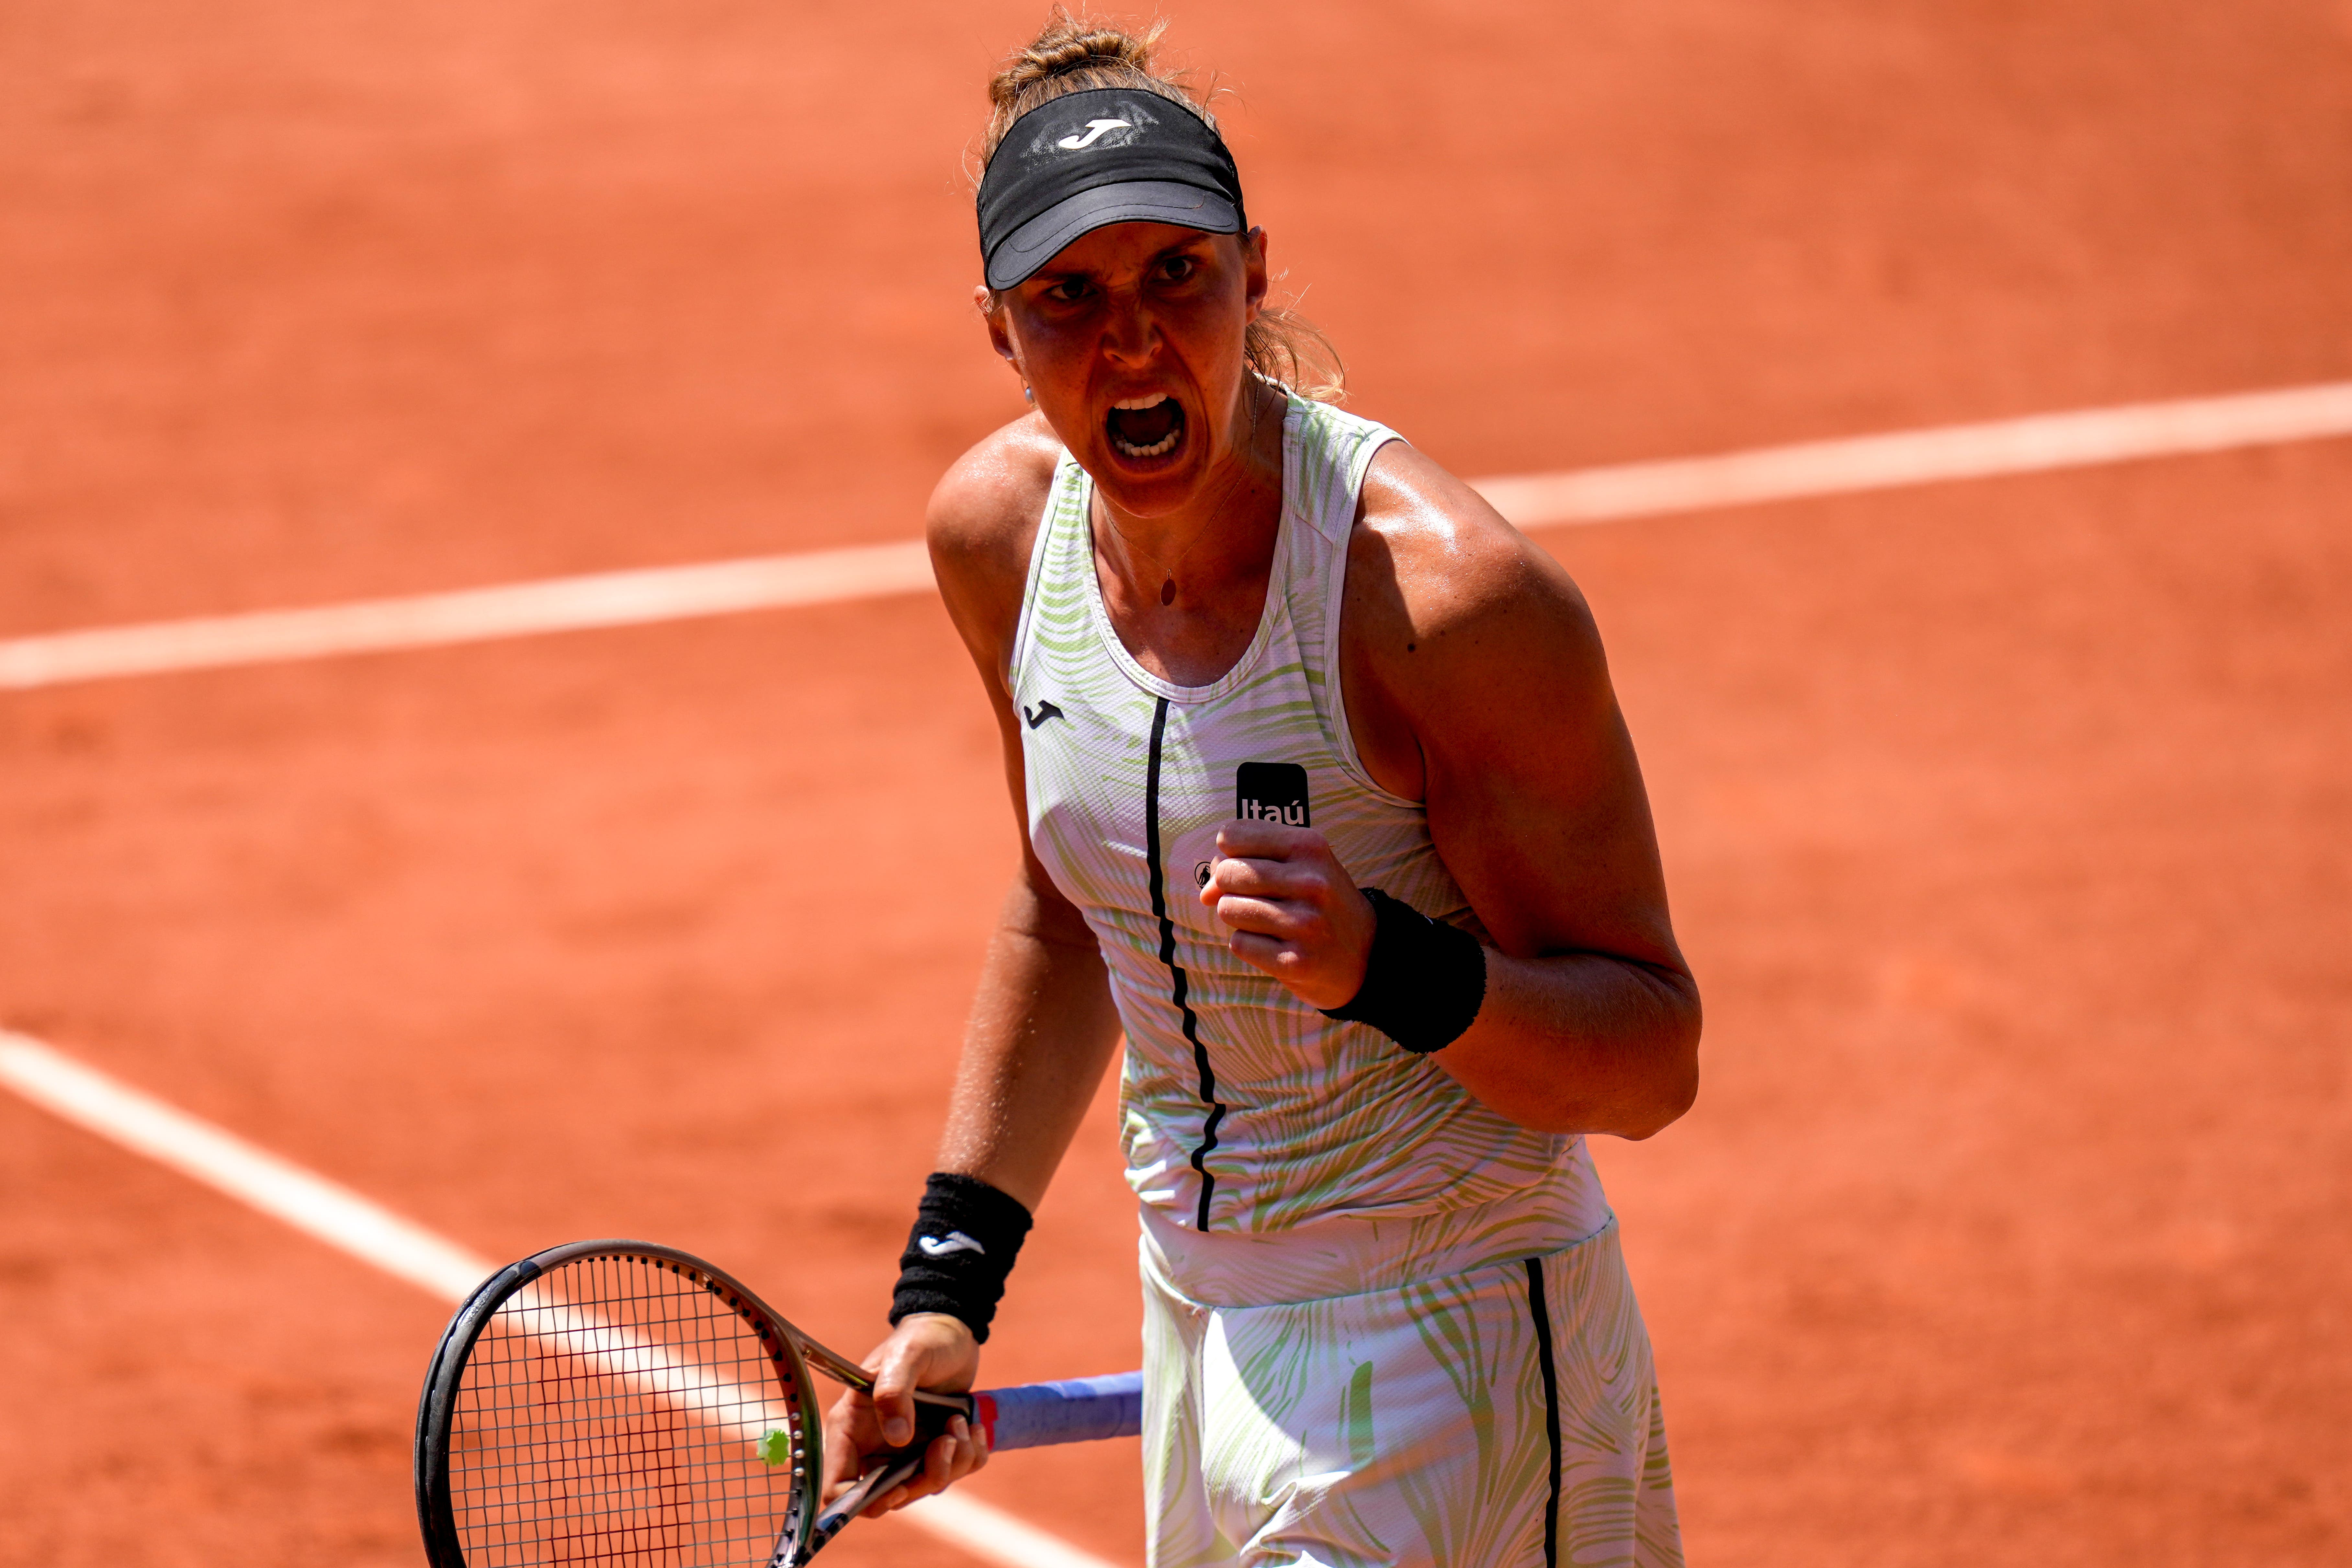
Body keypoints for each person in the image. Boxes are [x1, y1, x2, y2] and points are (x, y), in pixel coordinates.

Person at [823, 15, 1699, 1567]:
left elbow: (1646, 1059)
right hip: (1197, 1338)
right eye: (1068, 298)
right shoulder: (999, 542)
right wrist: (944, 1292)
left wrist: (1392, 967)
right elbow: (1065, 909)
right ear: (996, 328)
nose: (1135, 339)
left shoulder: (1440, 606)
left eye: (1180, 272)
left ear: (1256, 269)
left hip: (1463, 1356)